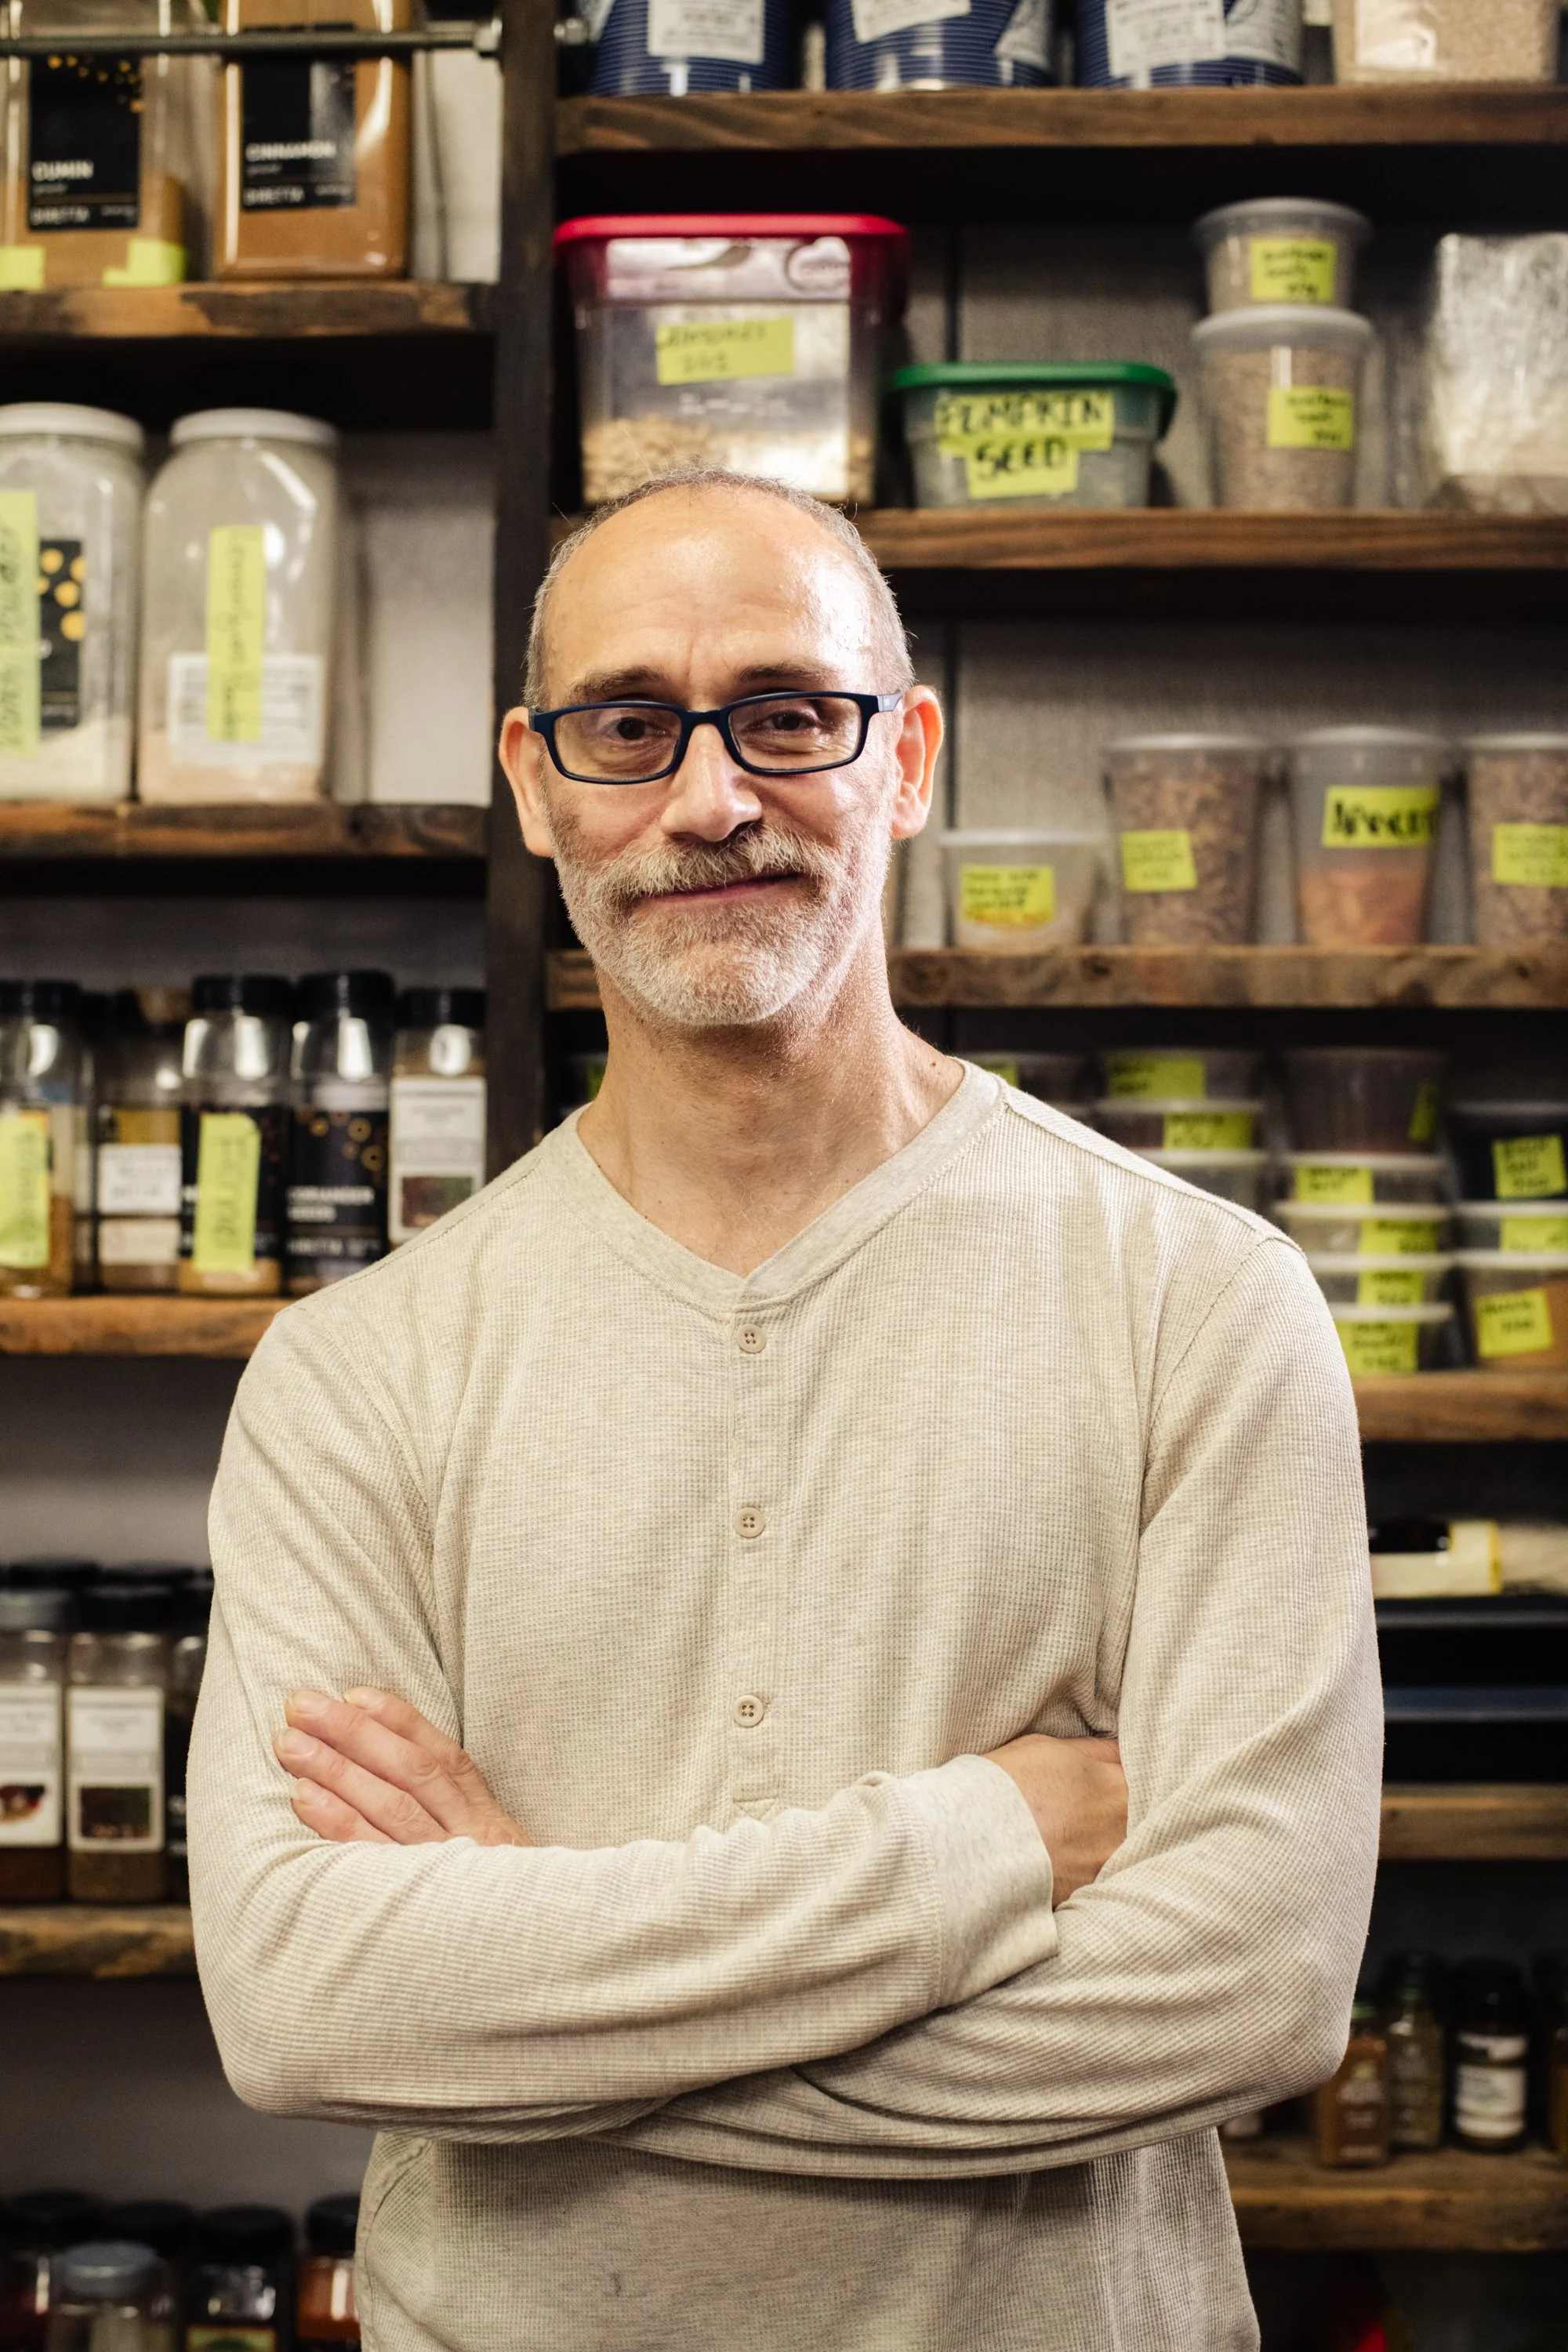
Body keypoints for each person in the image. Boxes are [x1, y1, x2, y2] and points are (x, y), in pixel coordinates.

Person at [190, 470, 1382, 2352]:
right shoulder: (355, 1375)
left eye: (787, 714)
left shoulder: (1197, 1305)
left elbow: (1250, 1991)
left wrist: (542, 1992)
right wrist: (985, 1843)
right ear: (534, 779)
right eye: (627, 725)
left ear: (904, 757)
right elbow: (304, 2002)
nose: (709, 797)